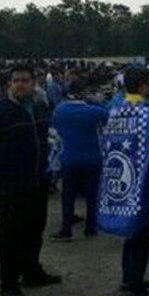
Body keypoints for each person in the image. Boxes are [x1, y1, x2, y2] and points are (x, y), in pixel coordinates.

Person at [0, 64, 60, 296]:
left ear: (34, 83)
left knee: (35, 230)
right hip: (9, 187)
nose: (20, 84)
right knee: (11, 236)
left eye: (25, 80)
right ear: (9, 84)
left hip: (37, 183)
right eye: (16, 81)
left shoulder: (39, 108)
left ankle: (32, 272)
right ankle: (9, 284)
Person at [101, 67, 149, 296]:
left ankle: (129, 279)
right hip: (145, 182)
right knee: (143, 235)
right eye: (148, 83)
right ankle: (134, 289)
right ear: (142, 86)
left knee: (131, 234)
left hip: (125, 180)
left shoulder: (115, 111)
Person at [49, 77, 109, 242]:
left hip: (69, 158)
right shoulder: (95, 111)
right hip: (93, 158)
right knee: (92, 194)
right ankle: (91, 226)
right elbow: (107, 115)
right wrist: (95, 102)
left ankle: (66, 228)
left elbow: (55, 129)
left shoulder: (60, 109)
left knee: (68, 195)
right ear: (85, 92)